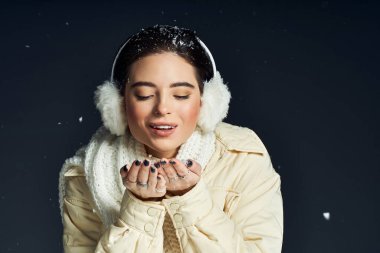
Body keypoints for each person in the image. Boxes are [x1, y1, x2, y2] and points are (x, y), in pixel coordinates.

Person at [58, 24, 283, 253]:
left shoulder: (243, 157)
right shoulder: (85, 174)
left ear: (207, 102)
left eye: (181, 95)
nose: (163, 108)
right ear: (119, 104)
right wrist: (138, 211)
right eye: (144, 95)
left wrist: (190, 202)